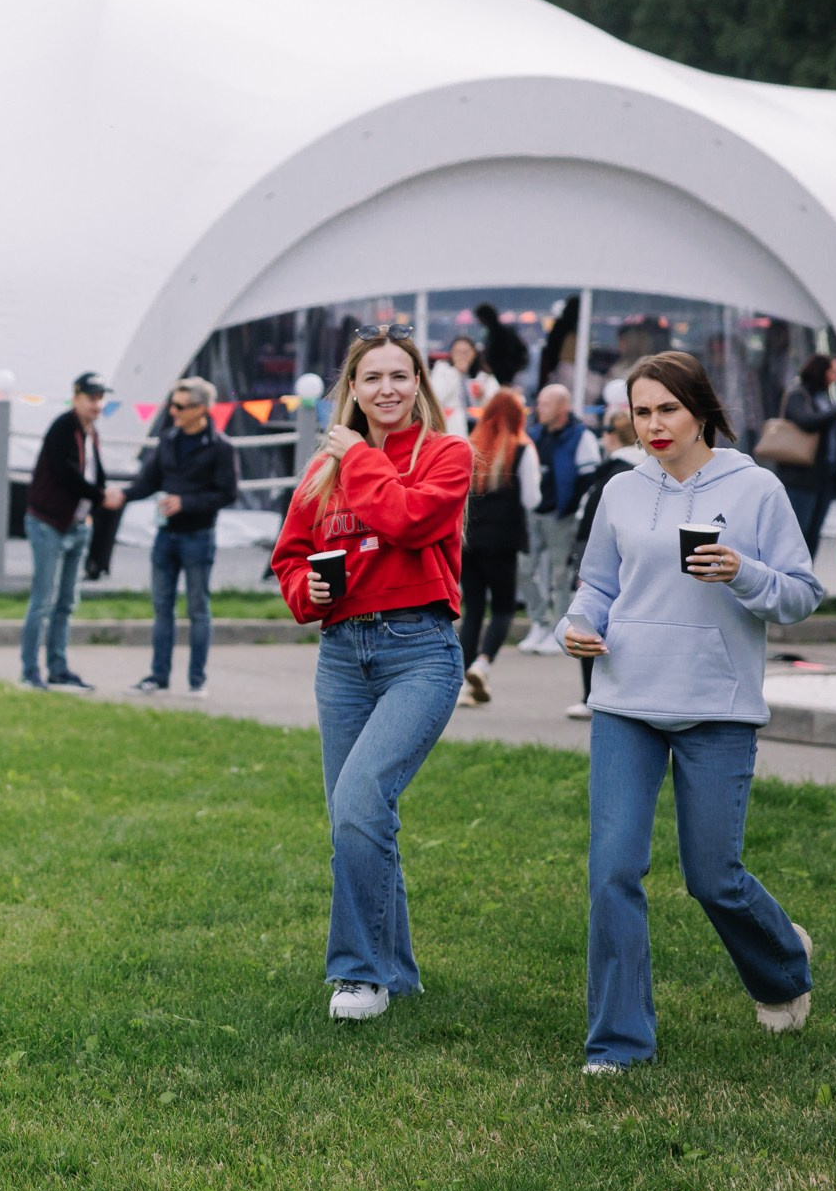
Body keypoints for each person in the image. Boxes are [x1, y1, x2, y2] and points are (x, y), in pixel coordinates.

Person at [559, 352, 823, 1072]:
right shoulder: (620, 490)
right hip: (625, 699)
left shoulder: (756, 487)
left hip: (718, 704)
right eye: (641, 412)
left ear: (701, 409)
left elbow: (801, 593)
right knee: (612, 870)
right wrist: (574, 628)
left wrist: (745, 572)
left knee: (713, 877)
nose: (653, 426)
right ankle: (618, 1042)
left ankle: (782, 964)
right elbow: (596, 589)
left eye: (667, 409)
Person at [270, 326, 470, 1023]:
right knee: (355, 817)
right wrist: (308, 592)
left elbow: (408, 520)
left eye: (400, 375)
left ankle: (359, 975)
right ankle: (397, 972)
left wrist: (357, 456)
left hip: (420, 650)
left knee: (360, 800)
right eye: (372, 377)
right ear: (352, 389)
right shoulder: (322, 470)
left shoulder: (446, 456)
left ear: (419, 384)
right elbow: (290, 557)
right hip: (342, 655)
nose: (387, 388)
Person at [109, 376, 239, 696]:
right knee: (161, 608)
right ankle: (158, 676)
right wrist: (121, 495)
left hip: (198, 536)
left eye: (180, 406)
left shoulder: (221, 447)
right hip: (165, 537)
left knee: (198, 609)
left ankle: (197, 680)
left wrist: (187, 503)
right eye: (173, 404)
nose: (173, 411)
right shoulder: (168, 439)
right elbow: (147, 481)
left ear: (201, 409)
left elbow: (227, 493)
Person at [20, 372, 108, 689]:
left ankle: (58, 668)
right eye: (91, 397)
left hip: (77, 524)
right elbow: (67, 474)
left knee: (66, 602)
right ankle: (30, 670)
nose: (97, 404)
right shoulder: (64, 427)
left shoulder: (90, 432)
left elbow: (95, 473)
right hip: (49, 523)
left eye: (100, 398)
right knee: (43, 600)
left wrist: (98, 502)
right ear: (77, 398)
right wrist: (101, 497)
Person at [456, 386, 539, 706]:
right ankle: (483, 662)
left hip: (469, 540)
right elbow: (532, 498)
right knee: (503, 608)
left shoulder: (470, 447)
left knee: (473, 608)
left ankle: (464, 681)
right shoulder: (522, 449)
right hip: (503, 541)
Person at [564, 409, 644, 721]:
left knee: (587, 621)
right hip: (612, 559)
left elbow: (597, 521)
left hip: (598, 557)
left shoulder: (618, 472)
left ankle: (590, 695)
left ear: (614, 434)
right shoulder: (635, 469)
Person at [518, 383, 599, 652]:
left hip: (560, 516)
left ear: (563, 407)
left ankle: (560, 629)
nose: (539, 409)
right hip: (534, 512)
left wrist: (571, 508)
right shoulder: (535, 434)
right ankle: (539, 621)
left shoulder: (580, 436)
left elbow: (589, 477)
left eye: (546, 404)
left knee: (560, 576)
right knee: (523, 569)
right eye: (539, 403)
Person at [761, 354, 836, 558]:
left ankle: (806, 580)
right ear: (820, 371)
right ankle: (789, 578)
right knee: (797, 532)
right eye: (833, 372)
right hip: (800, 476)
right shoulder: (798, 394)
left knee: (813, 532)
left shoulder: (824, 397)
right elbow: (805, 421)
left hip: (823, 474)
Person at [428, 336, 489, 435]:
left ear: (473, 353)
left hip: (478, 427)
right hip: (453, 426)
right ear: (451, 353)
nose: (462, 356)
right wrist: (456, 373)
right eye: (458, 352)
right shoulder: (442, 369)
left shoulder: (482, 374)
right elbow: (436, 397)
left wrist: (482, 395)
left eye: (466, 352)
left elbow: (494, 402)